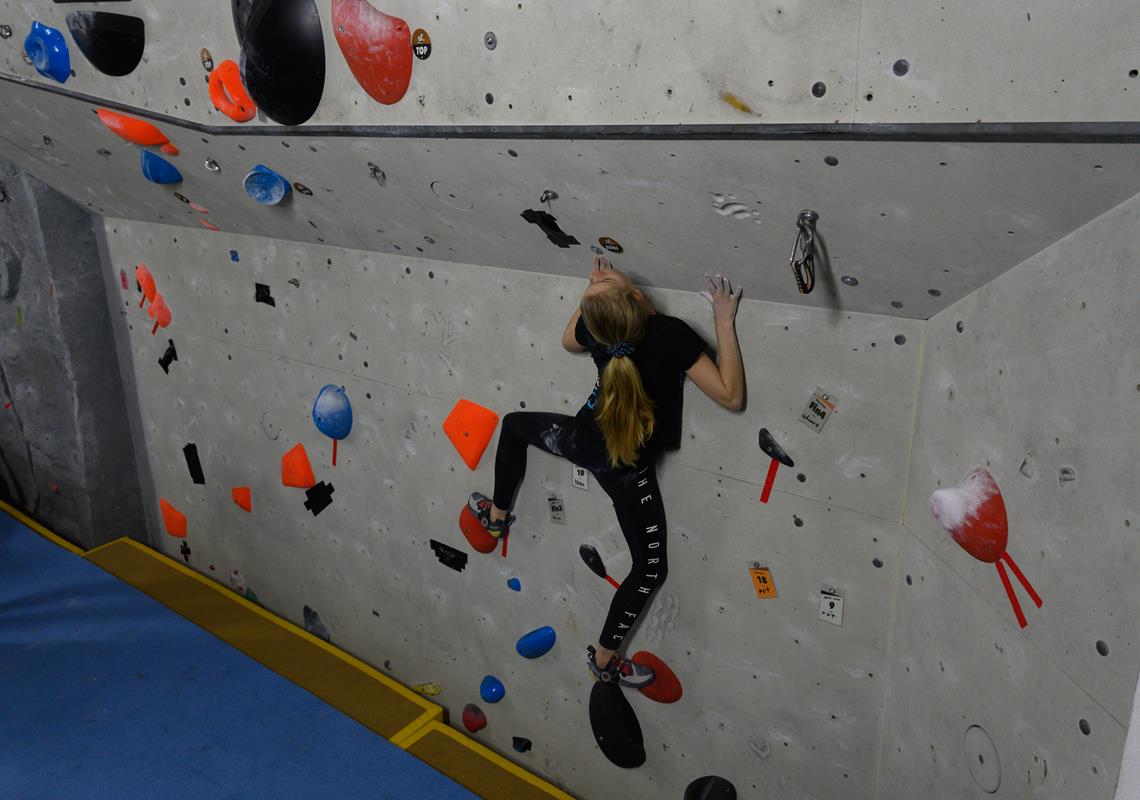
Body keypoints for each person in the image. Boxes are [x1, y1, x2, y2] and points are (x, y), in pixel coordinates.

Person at [468, 256, 744, 687]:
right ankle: (604, 659)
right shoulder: (670, 335)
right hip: (624, 470)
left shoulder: (599, 333)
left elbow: (566, 340)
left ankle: (497, 517)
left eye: (601, 280)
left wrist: (591, 298)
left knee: (514, 426)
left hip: (583, 439)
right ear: (636, 296)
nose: (598, 274)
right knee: (650, 569)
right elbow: (729, 396)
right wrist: (723, 320)